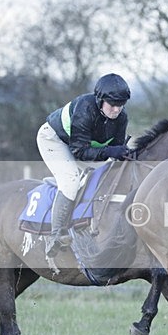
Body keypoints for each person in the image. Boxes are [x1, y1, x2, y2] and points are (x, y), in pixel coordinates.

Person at [36, 73, 134, 257]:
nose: (116, 110)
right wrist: (110, 152)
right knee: (71, 180)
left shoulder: (121, 117)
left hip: (79, 145)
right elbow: (79, 152)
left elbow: (115, 150)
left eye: (120, 105)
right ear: (100, 100)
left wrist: (124, 153)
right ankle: (55, 234)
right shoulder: (85, 109)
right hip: (54, 140)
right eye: (112, 105)